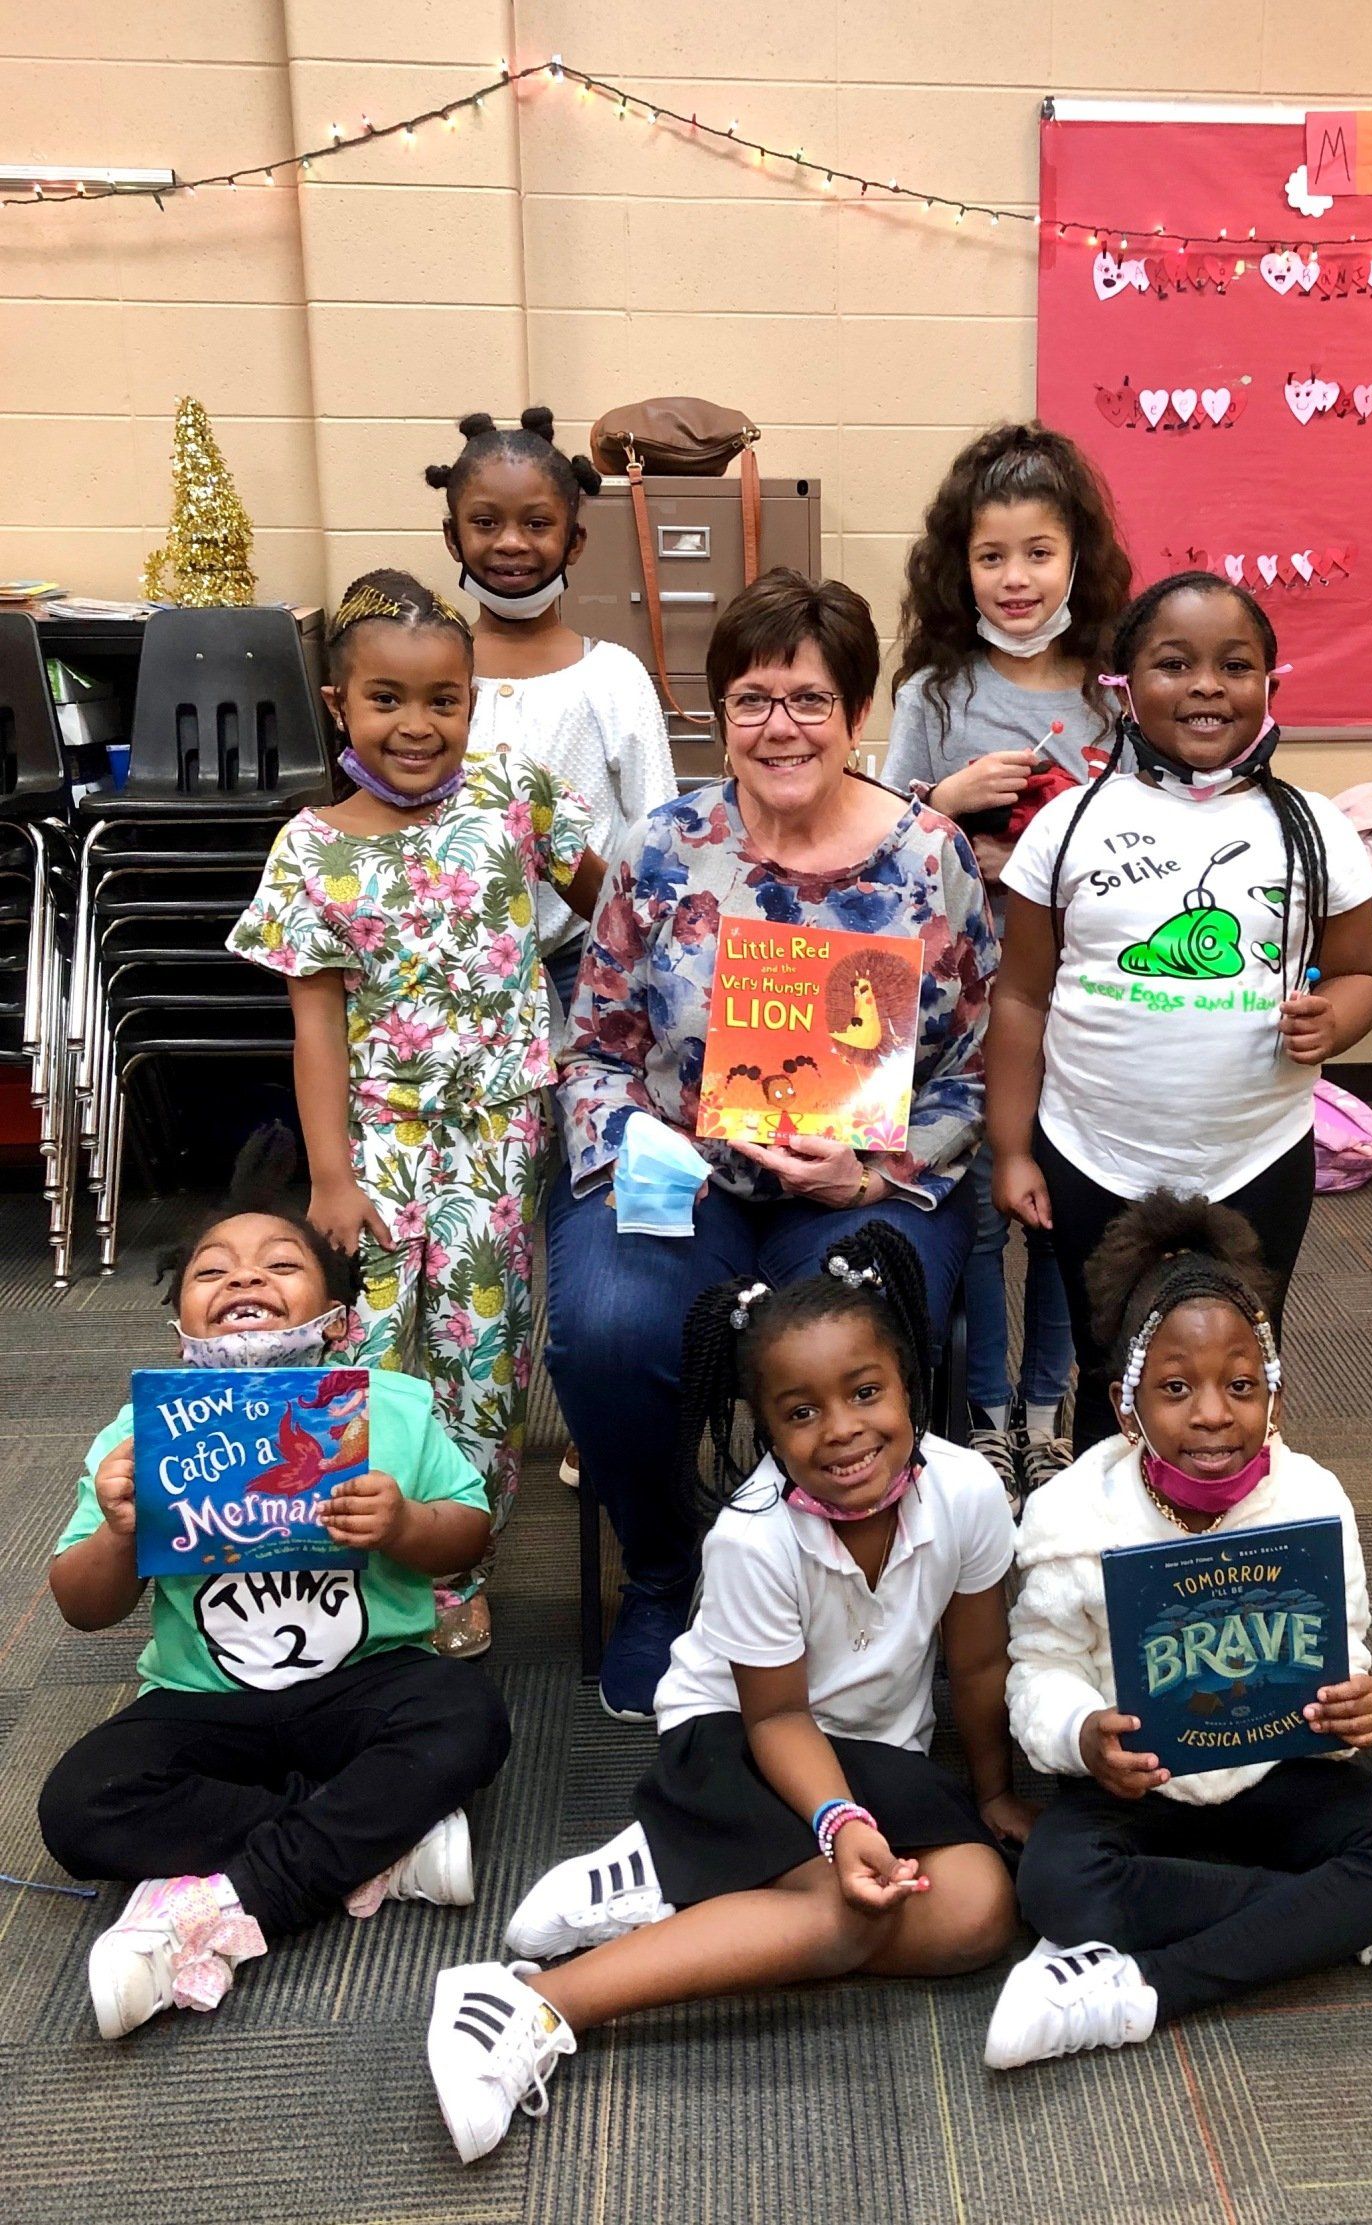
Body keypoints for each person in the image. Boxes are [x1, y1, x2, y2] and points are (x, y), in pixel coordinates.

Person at [427, 1226, 1028, 2163]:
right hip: (742, 1740)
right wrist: (839, 1823)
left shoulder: (969, 1491)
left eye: (866, 1392)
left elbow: (980, 1663)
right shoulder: (754, 1534)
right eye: (800, 1412)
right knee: (848, 1911)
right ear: (763, 1425)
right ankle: (537, 2001)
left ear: (909, 1381)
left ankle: (677, 1878)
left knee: (978, 1912)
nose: (841, 1430)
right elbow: (777, 1715)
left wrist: (992, 1792)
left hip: (875, 1755)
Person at [547, 568, 995, 1719]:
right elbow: (593, 1046)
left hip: (857, 1185)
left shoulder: (929, 855)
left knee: (852, 1324)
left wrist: (874, 1170)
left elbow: (975, 1073)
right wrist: (644, 1147)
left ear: (855, 714)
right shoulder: (660, 847)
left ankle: (829, 1582)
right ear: (719, 714)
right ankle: (668, 1568)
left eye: (808, 698)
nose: (780, 726)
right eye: (752, 698)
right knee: (606, 1325)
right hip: (682, 1174)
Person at [986, 1191, 1372, 2070]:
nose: (1213, 1413)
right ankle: (1348, 1915)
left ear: (1277, 1398)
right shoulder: (1072, 1516)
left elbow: (1348, 1647)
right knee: (1054, 1882)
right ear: (1126, 1405)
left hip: (1271, 1773)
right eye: (1176, 1388)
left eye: (1241, 1385)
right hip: (1138, 1789)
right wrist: (1080, 1734)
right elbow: (1040, 1665)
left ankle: (1141, 1990)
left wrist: (1352, 1712)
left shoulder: (1311, 1500)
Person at [38, 1140, 511, 2042]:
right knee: (77, 1803)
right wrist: (118, 1529)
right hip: (202, 1701)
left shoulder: (392, 1404)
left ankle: (234, 1897)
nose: (243, 1277)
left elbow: (468, 1537)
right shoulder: (139, 1432)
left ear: (336, 1319)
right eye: (212, 1271)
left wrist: (406, 1525)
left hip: (364, 1682)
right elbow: (79, 1603)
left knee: (468, 1715)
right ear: (179, 1323)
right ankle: (380, 1843)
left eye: (280, 1264)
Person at [229, 571, 605, 1659]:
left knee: (483, 1361)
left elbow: (609, 898)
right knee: (367, 1352)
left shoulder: (511, 796)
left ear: (473, 702)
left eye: (444, 698)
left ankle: (454, 1573)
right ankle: (342, 1558)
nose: (418, 723)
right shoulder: (311, 849)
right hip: (379, 1145)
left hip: (500, 1133)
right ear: (339, 703)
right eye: (387, 698)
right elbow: (314, 1033)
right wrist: (330, 1176)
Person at [987, 571, 1372, 1455]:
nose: (1207, 684)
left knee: (1240, 1359)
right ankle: (1098, 1552)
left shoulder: (1315, 828)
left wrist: (1338, 1019)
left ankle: (1220, 1535)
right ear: (1123, 687)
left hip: (1257, 1156)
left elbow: (1364, 973)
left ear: (1270, 688)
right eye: (1175, 663)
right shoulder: (1068, 826)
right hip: (1095, 1152)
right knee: (1112, 1365)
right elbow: (1019, 996)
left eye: (1235, 664)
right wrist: (1013, 1148)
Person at [428, 406, 676, 1495]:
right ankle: (453, 1424)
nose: (512, 543)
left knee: (585, 1196)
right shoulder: (432, 671)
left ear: (577, 540)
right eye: (487, 522)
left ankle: (592, 1406)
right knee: (477, 1206)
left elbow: (654, 833)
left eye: (537, 523)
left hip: (586, 972)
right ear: (453, 536)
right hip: (457, 984)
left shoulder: (611, 676)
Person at [883, 423, 1131, 1498]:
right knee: (981, 1207)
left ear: (1078, 556)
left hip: (1087, 1001)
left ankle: (1049, 1403)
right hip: (971, 1005)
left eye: (1039, 551)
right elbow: (880, 841)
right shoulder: (933, 694)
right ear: (960, 564)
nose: (1017, 577)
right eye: (993, 555)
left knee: (1070, 1207)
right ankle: (986, 1409)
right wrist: (943, 807)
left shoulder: (1117, 693)